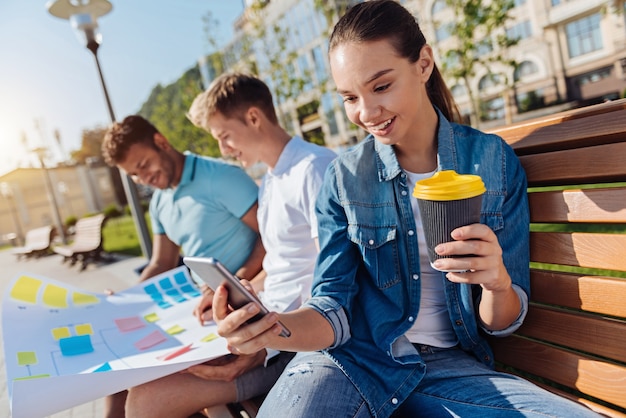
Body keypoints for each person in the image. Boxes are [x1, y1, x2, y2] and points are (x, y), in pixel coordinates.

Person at [212, 1, 601, 417]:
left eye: (381, 87)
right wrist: (273, 329)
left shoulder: (493, 163)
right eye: (349, 97)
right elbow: (332, 307)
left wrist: (497, 283)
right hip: (349, 362)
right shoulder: (344, 179)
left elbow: (502, 321)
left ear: (423, 64)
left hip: (450, 371)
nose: (366, 113)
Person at [122, 73, 336, 418]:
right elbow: (284, 263)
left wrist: (262, 341)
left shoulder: (313, 170)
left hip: (288, 340)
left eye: (224, 136)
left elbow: (336, 281)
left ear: (253, 118)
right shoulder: (271, 181)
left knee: (147, 400)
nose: (222, 149)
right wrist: (239, 290)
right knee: (138, 375)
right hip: (264, 326)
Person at [101, 114, 265, 417]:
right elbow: (161, 262)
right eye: (134, 176)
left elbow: (270, 235)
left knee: (142, 392)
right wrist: (122, 301)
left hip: (236, 310)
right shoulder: (160, 202)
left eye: (143, 166)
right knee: (114, 369)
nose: (143, 179)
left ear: (161, 142)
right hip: (195, 309)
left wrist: (233, 284)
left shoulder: (221, 177)